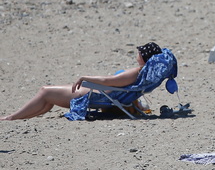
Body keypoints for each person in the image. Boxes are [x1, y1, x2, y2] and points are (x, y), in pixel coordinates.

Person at [1, 42, 163, 120]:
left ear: (143, 57)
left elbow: (109, 80)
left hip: (94, 94)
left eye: (139, 53)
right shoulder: (143, 74)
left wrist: (85, 78)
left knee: (46, 91)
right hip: (104, 95)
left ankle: (11, 117)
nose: (136, 54)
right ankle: (15, 117)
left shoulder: (135, 73)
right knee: (48, 98)